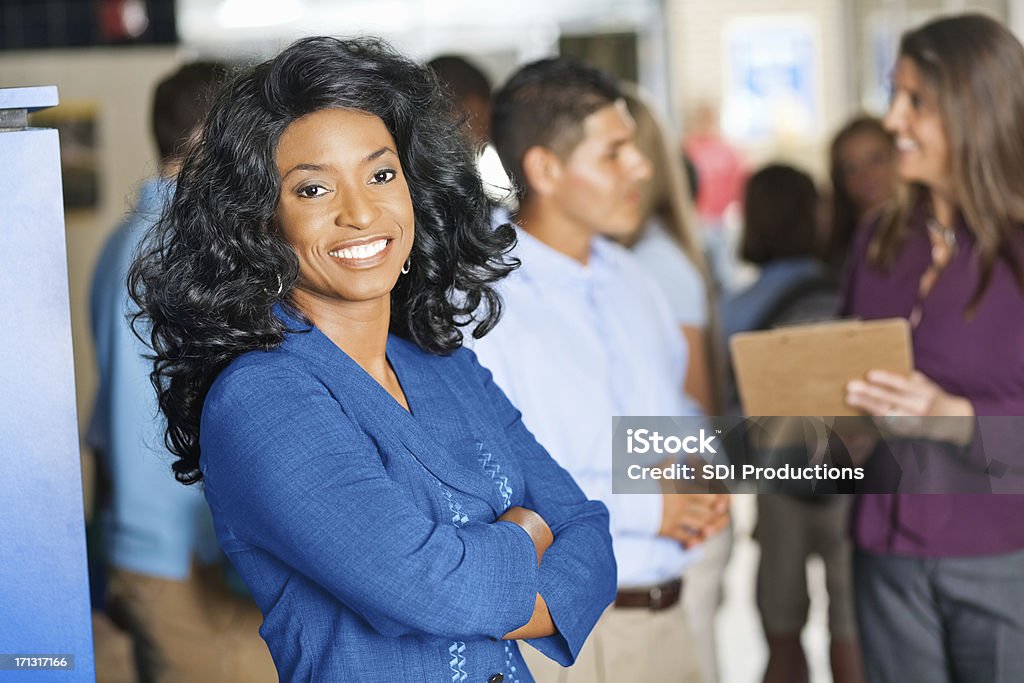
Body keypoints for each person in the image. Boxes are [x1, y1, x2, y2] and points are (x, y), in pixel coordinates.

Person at [128, 37, 616, 682]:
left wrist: (479, 569)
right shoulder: (261, 398)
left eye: (381, 175)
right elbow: (435, 589)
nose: (361, 213)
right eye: (312, 190)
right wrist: (526, 534)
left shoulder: (445, 365)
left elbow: (587, 533)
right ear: (259, 221)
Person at [475, 56, 728, 683]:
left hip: (669, 618)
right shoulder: (481, 303)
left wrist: (700, 473)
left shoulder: (637, 282)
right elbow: (493, 487)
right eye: (615, 152)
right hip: (569, 640)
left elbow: (670, 421)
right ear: (546, 169)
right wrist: (651, 508)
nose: (641, 167)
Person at [843, 14, 1024, 682]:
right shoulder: (880, 240)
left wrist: (952, 416)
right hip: (883, 553)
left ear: (977, 109)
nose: (892, 120)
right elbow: (839, 394)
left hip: (1004, 556)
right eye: (895, 94)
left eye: (915, 101)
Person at [87, 61, 277, 683]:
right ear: (209, 138)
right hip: (188, 558)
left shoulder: (126, 241)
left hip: (143, 546)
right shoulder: (189, 250)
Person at [721, 163, 863, 683]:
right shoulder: (850, 293)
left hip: (778, 486)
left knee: (781, 635)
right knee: (851, 635)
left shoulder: (736, 308)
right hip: (854, 481)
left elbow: (729, 413)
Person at [620, 86, 731, 683]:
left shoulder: (657, 263)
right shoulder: (614, 261)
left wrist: (667, 503)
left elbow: (694, 416)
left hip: (677, 506)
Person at [825, 116, 898, 274]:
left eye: (876, 159)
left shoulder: (934, 235)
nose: (867, 175)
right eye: (851, 168)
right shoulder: (843, 256)